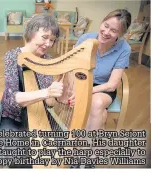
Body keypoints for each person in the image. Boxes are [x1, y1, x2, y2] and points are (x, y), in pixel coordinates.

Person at [0, 14, 75, 168]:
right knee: (17, 156)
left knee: (66, 148)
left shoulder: (47, 61)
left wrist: (60, 96)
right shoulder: (12, 56)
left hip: (40, 114)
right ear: (31, 33)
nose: (48, 43)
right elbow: (12, 99)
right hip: (14, 117)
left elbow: (49, 103)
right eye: (45, 37)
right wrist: (47, 92)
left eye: (52, 39)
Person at [73, 9, 132, 168]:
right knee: (101, 114)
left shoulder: (124, 49)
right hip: (83, 81)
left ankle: (83, 151)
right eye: (105, 26)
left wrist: (87, 93)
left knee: (96, 103)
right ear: (102, 22)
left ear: (121, 33)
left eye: (113, 31)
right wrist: (74, 88)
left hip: (104, 87)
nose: (106, 32)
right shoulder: (86, 38)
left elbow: (112, 84)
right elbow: (72, 65)